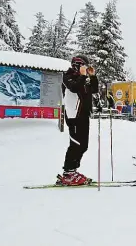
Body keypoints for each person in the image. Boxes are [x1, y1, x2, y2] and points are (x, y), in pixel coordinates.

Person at [58, 55, 99, 186]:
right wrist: (82, 76)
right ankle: (68, 173)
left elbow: (94, 89)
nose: (86, 69)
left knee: (84, 146)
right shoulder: (67, 76)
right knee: (75, 144)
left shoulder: (83, 79)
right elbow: (73, 87)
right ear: (77, 65)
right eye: (84, 66)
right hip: (74, 116)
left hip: (84, 116)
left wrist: (92, 76)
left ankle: (73, 171)